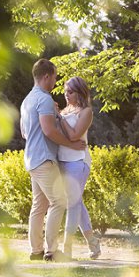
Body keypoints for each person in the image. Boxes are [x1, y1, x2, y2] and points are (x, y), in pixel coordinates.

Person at [20, 59, 85, 261]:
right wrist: (71, 144)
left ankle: (36, 251)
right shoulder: (45, 99)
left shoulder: (27, 100)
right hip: (45, 159)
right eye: (55, 77)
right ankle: (51, 251)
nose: (56, 81)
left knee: (39, 206)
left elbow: (24, 133)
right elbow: (48, 131)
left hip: (31, 159)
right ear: (46, 76)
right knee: (59, 201)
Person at [56, 76, 102, 259]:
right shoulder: (65, 110)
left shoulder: (86, 112)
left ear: (80, 92)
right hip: (61, 162)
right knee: (77, 202)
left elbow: (75, 135)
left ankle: (67, 249)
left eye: (71, 92)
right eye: (66, 91)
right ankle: (93, 243)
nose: (67, 95)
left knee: (73, 203)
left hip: (78, 162)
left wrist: (59, 117)